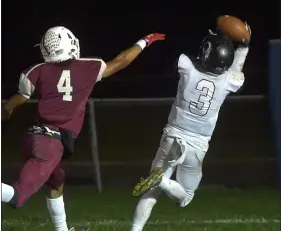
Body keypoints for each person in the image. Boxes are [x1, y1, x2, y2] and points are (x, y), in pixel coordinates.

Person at [1, 26, 165, 231]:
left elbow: (11, 104)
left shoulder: (36, 71)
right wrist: (145, 41)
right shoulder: (89, 67)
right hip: (50, 144)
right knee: (17, 196)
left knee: (56, 182)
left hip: (36, 138)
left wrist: (5, 118)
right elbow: (121, 61)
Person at [130, 24, 251, 231]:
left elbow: (176, 55)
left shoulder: (186, 66)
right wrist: (244, 45)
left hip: (172, 135)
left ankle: (137, 226)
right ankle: (163, 182)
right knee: (185, 196)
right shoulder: (229, 81)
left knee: (151, 192)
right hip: (197, 144)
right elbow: (236, 68)